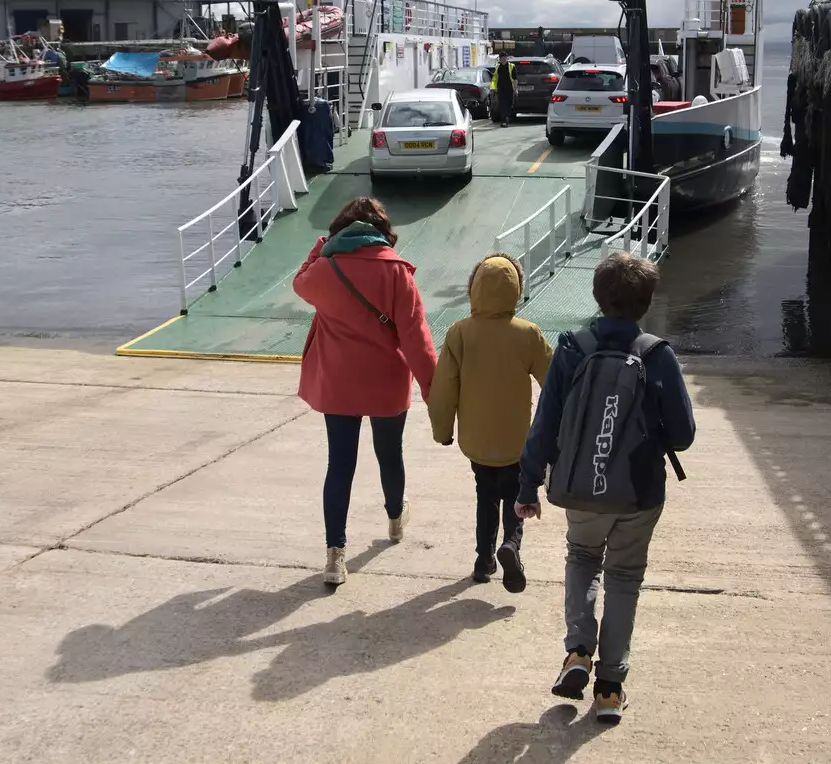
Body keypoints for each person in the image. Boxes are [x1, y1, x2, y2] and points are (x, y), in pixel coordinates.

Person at [515, 252, 696, 725]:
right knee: (624, 576)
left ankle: (577, 652)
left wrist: (528, 484)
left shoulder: (572, 347)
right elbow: (683, 435)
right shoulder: (657, 354)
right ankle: (611, 687)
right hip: (638, 491)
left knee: (582, 557)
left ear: (597, 296)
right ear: (646, 302)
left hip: (579, 485)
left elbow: (545, 422)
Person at [293, 196, 437, 586]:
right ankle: (394, 519)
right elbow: (415, 337)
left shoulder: (325, 269)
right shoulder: (396, 272)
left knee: (340, 465)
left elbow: (299, 282)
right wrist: (433, 388)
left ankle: (335, 556)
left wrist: (321, 247)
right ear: (381, 231)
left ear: (340, 229)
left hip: (339, 383)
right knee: (390, 454)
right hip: (386, 383)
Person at [426, 253, 554, 590]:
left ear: (473, 289)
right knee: (516, 494)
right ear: (517, 290)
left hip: (476, 441)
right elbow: (555, 385)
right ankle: (510, 545)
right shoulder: (528, 334)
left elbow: (443, 390)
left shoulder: (459, 334)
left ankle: (483, 561)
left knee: (485, 495)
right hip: (516, 442)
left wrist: (443, 431)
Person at [491, 52, 516, 124]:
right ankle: (504, 119)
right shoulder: (497, 67)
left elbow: (515, 78)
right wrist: (493, 88)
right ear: (500, 58)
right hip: (501, 89)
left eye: (505, 57)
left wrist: (515, 89)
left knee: (509, 103)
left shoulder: (512, 66)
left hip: (510, 88)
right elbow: (494, 78)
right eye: (502, 58)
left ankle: (507, 117)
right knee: (502, 104)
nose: (504, 59)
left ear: (507, 58)